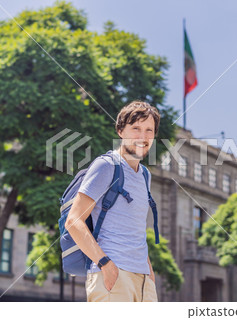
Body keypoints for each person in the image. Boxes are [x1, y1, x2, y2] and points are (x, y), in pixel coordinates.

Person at [64, 101, 160, 302]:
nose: (143, 136)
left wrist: (149, 272)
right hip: (114, 276)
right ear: (120, 131)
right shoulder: (106, 166)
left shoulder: (145, 175)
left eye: (149, 130)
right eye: (136, 128)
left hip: (143, 281)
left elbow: (136, 228)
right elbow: (74, 221)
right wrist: (105, 265)